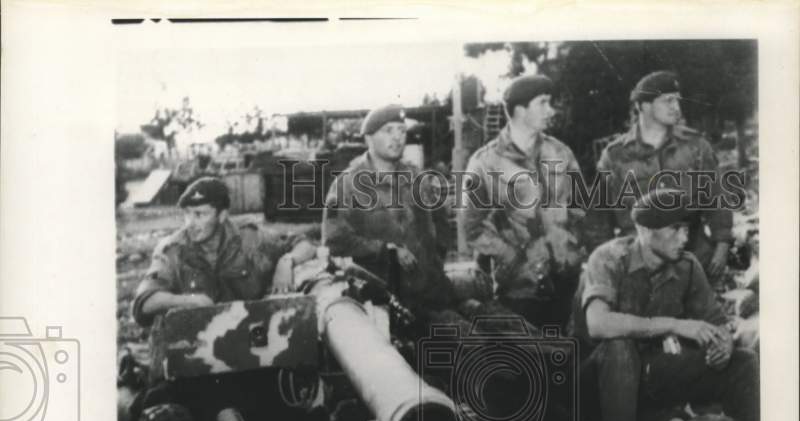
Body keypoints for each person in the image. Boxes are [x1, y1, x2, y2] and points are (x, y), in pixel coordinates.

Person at [580, 190, 758, 421]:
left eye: (687, 229)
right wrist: (675, 325)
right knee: (620, 348)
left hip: (656, 374)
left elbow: (715, 320)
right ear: (644, 229)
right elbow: (597, 324)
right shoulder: (608, 259)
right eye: (675, 229)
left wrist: (723, 344)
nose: (684, 238)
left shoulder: (687, 266)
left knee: (744, 361)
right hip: (601, 380)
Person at [463, 73, 586, 329]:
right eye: (543, 103)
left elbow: (580, 207)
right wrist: (512, 258)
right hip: (519, 290)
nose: (551, 110)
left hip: (566, 281)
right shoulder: (484, 163)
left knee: (570, 358)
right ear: (520, 110)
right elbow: (472, 227)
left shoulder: (561, 153)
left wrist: (571, 248)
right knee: (528, 362)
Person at [595, 71, 733, 280]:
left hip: (692, 256)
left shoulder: (695, 147)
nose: (676, 108)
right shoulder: (615, 156)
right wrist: (606, 265)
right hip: (641, 266)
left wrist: (722, 246)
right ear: (644, 105)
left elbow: (717, 200)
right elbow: (600, 219)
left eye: (677, 101)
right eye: (668, 101)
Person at [322, 104, 454, 318]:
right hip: (379, 305)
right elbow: (335, 239)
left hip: (428, 295)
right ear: (369, 138)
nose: (397, 138)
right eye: (388, 131)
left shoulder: (418, 178)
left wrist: (434, 264)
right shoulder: (346, 184)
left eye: (401, 131)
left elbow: (440, 225)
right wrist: (384, 249)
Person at [132, 177, 311, 326]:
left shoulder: (250, 239)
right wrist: (189, 301)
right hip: (197, 350)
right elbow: (143, 302)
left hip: (252, 338)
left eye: (200, 214)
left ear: (222, 215)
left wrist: (287, 261)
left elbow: (304, 244)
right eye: (187, 213)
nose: (190, 224)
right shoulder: (172, 251)